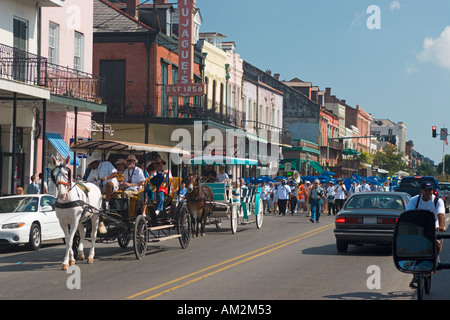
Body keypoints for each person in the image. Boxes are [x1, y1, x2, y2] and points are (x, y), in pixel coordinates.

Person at [406, 182, 446, 288]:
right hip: (417, 228)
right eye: (426, 190)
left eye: (430, 190)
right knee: (412, 250)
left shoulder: (437, 200)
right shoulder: (414, 200)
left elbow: (440, 215)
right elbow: (408, 215)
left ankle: (434, 259)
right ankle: (415, 276)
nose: (429, 192)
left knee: (436, 245)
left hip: (433, 227)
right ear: (421, 191)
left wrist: (441, 227)